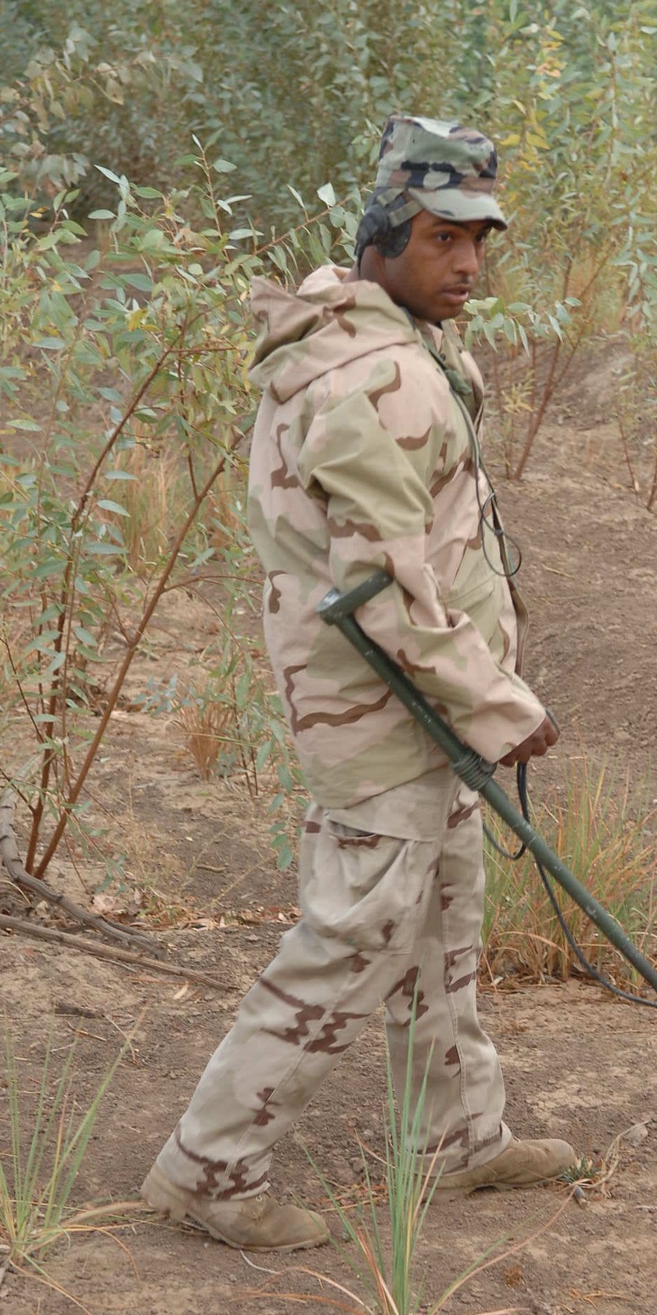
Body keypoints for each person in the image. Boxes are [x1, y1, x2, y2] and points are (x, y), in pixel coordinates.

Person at [140, 115, 574, 1252]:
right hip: (381, 704)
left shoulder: (394, 340)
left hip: (419, 702)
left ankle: (457, 1136)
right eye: (443, 238)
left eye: (483, 239)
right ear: (385, 233)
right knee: (353, 934)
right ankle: (210, 1166)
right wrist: (501, 706)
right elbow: (384, 586)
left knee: (441, 922)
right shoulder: (371, 376)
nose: (470, 263)